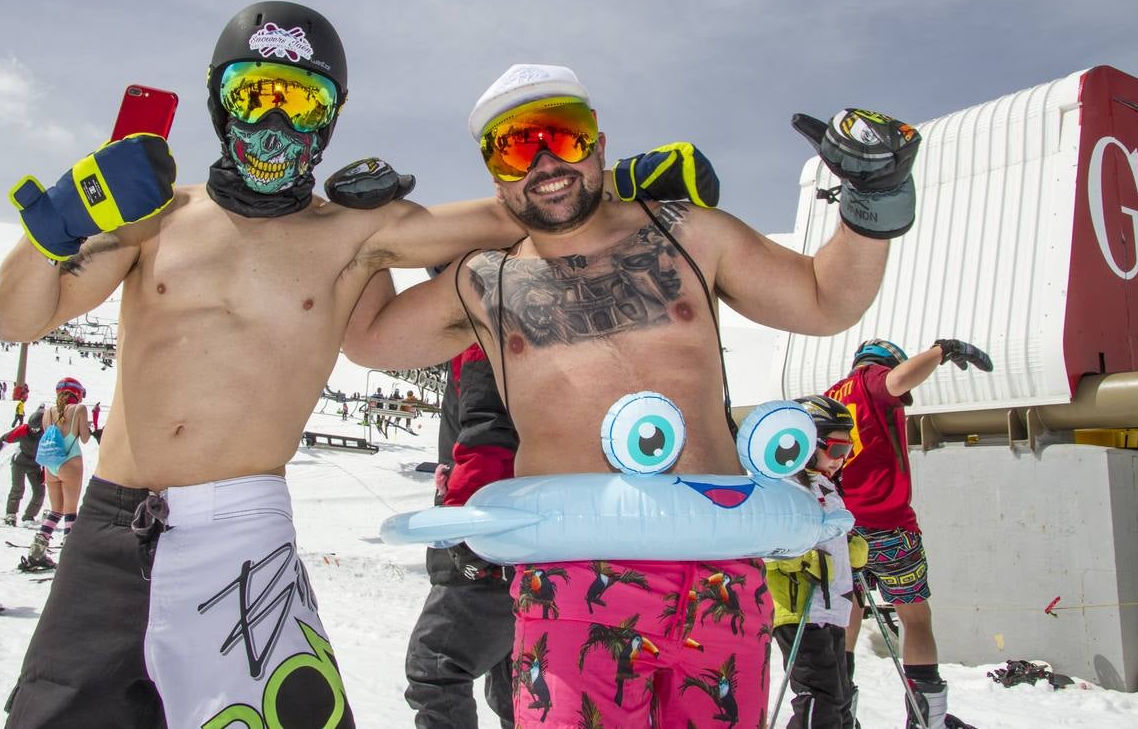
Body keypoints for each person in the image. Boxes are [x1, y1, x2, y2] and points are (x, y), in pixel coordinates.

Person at [0, 2, 628, 727]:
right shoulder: (155, 216)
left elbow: (514, 211)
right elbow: (20, 317)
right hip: (113, 524)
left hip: (243, 537)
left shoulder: (353, 232)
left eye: (300, 103)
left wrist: (626, 184)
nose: (275, 127)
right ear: (217, 103)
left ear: (328, 120)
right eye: (253, 96)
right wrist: (61, 221)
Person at [342, 64, 920, 726]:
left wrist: (875, 202)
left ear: (598, 139)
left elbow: (825, 300)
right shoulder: (484, 280)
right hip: (571, 586)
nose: (545, 162)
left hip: (718, 577)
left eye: (563, 134)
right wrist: (370, 233)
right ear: (494, 171)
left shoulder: (689, 234)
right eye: (515, 146)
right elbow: (369, 341)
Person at [824, 338, 991, 729]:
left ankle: (840, 716)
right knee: (914, 619)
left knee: (847, 615)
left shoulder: (834, 396)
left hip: (844, 528)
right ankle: (925, 719)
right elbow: (896, 381)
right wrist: (941, 352)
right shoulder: (872, 379)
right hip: (890, 526)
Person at [405, 343, 518, 729]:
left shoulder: (479, 326)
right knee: (515, 687)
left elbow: (487, 430)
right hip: (521, 538)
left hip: (486, 538)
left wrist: (463, 524)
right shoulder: (524, 315)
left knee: (436, 666)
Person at [767, 395, 867, 729]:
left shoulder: (827, 486)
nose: (842, 459)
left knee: (838, 696)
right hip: (801, 611)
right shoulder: (784, 487)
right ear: (807, 444)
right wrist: (800, 559)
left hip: (831, 610)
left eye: (847, 451)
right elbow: (768, 545)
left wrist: (848, 550)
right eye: (836, 449)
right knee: (820, 696)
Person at [20, 379, 90, 570]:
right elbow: (84, 438)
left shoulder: (49, 412)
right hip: (71, 461)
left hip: (50, 465)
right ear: (77, 393)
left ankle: (37, 550)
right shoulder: (79, 409)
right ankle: (71, 555)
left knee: (56, 509)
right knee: (70, 511)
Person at [0, 403, 47, 527]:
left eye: (36, 429)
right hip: (19, 463)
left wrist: (45, 470)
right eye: (31, 428)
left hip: (35, 465)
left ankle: (29, 515)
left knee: (39, 490)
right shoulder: (23, 430)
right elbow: (4, 439)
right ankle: (10, 514)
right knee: (18, 488)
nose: (33, 431)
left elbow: (49, 452)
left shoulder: (46, 434)